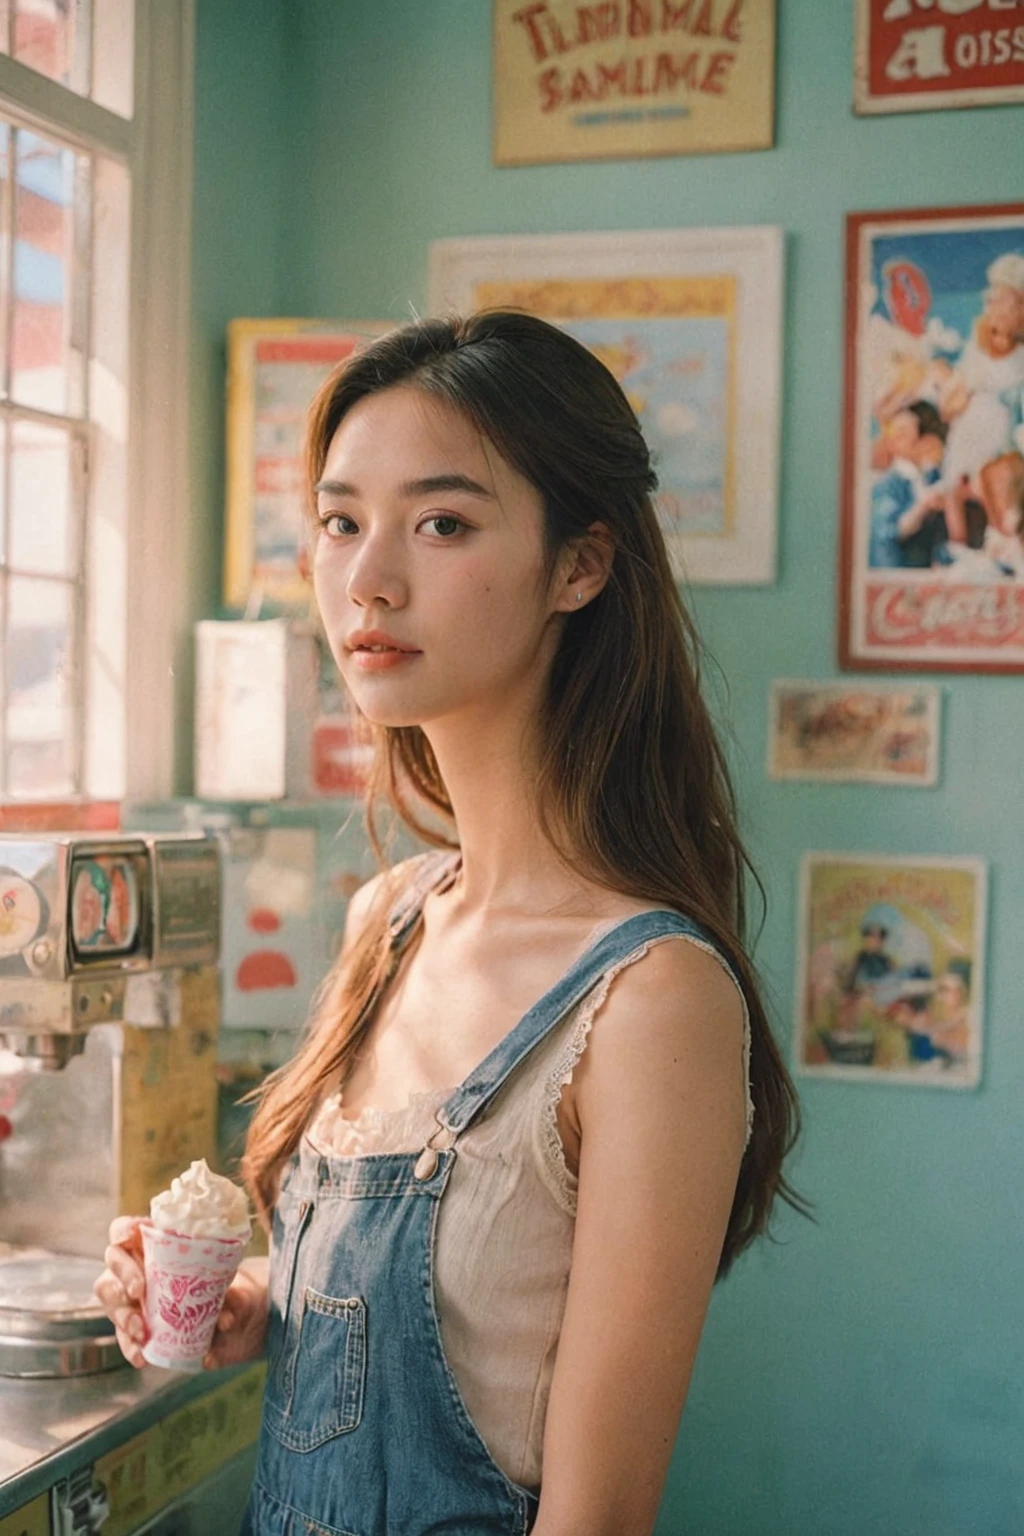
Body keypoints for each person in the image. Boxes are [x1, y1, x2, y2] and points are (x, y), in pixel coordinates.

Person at [94, 312, 805, 1536]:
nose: (368, 578)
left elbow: (600, 1514)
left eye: (443, 523)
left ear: (579, 567)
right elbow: (451, 1318)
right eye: (338, 521)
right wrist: (258, 1303)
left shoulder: (652, 1000)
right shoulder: (392, 918)